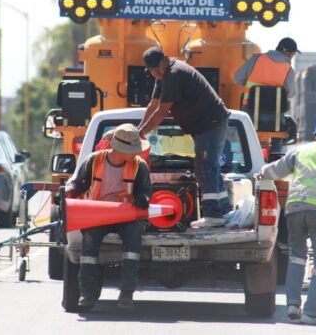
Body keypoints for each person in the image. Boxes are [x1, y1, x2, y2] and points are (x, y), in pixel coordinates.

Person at [258, 118, 316, 325]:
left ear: (315, 135)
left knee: (297, 257)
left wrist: (261, 173)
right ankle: (310, 312)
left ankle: (292, 305)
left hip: (295, 209)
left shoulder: (301, 151)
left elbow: (275, 170)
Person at [138, 46, 232, 228]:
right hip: (206, 125)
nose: (155, 72)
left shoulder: (174, 73)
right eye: (151, 70)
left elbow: (161, 112)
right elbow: (153, 104)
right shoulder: (163, 76)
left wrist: (141, 133)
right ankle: (224, 210)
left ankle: (213, 214)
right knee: (206, 167)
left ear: (165, 59)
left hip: (211, 123)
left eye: (157, 68)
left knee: (206, 166)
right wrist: (138, 129)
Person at [65, 124, 153, 310]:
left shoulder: (140, 166)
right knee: (89, 243)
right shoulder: (94, 160)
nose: (135, 153)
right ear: (120, 149)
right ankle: (87, 295)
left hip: (127, 216)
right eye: (132, 150)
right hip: (99, 215)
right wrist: (70, 190)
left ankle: (126, 294)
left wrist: (143, 199)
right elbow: (77, 182)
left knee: (132, 242)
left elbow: (145, 191)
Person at [234, 37, 300, 110]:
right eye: (293, 54)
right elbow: (290, 94)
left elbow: (238, 78)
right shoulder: (289, 71)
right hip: (274, 114)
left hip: (249, 110)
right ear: (289, 54)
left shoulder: (256, 58)